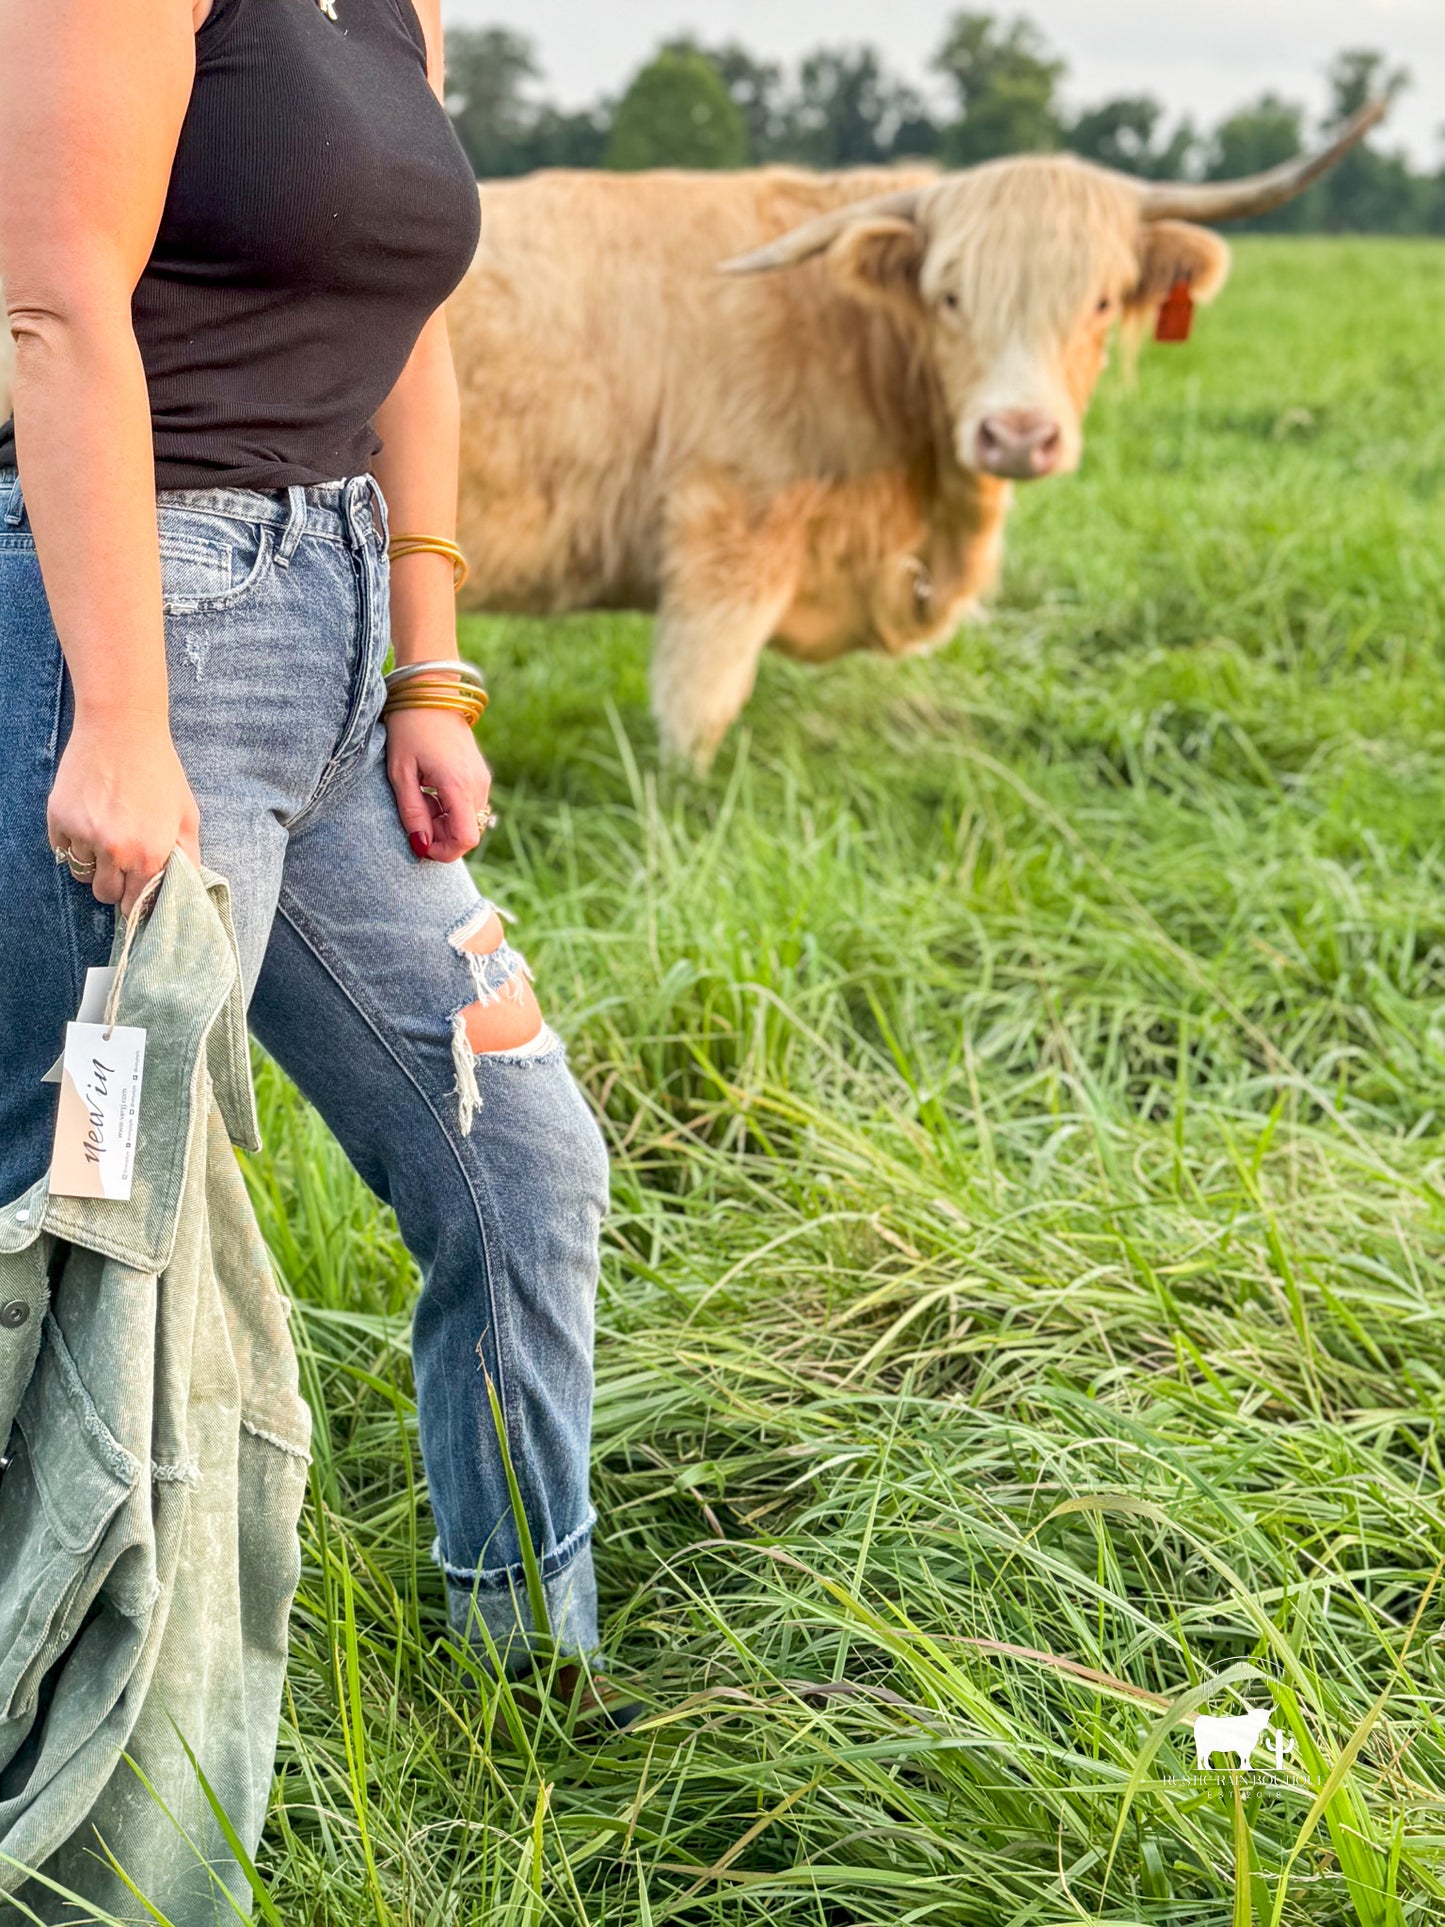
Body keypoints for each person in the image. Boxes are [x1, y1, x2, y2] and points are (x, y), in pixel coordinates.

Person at [0, 0, 611, 1695]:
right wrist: (119, 715)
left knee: (526, 1164)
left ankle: (526, 1668)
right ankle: (94, 1781)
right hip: (141, 624)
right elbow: (53, 306)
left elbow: (404, 334)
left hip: (334, 635)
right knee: (98, 1236)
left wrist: (427, 672)